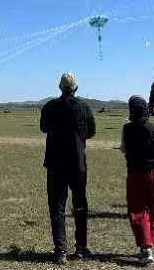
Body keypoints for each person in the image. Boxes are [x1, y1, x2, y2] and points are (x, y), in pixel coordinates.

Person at [40, 73, 96, 265]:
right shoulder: (85, 107)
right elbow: (92, 132)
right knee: (80, 205)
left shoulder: (49, 107)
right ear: (76, 88)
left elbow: (44, 128)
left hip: (55, 164)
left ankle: (60, 249)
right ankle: (80, 246)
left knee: (57, 207)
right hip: (78, 164)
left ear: (60, 87)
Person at [119, 96, 154, 266]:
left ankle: (146, 247)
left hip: (135, 174)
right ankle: (150, 240)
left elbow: (123, 148)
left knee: (137, 210)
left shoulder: (126, 128)